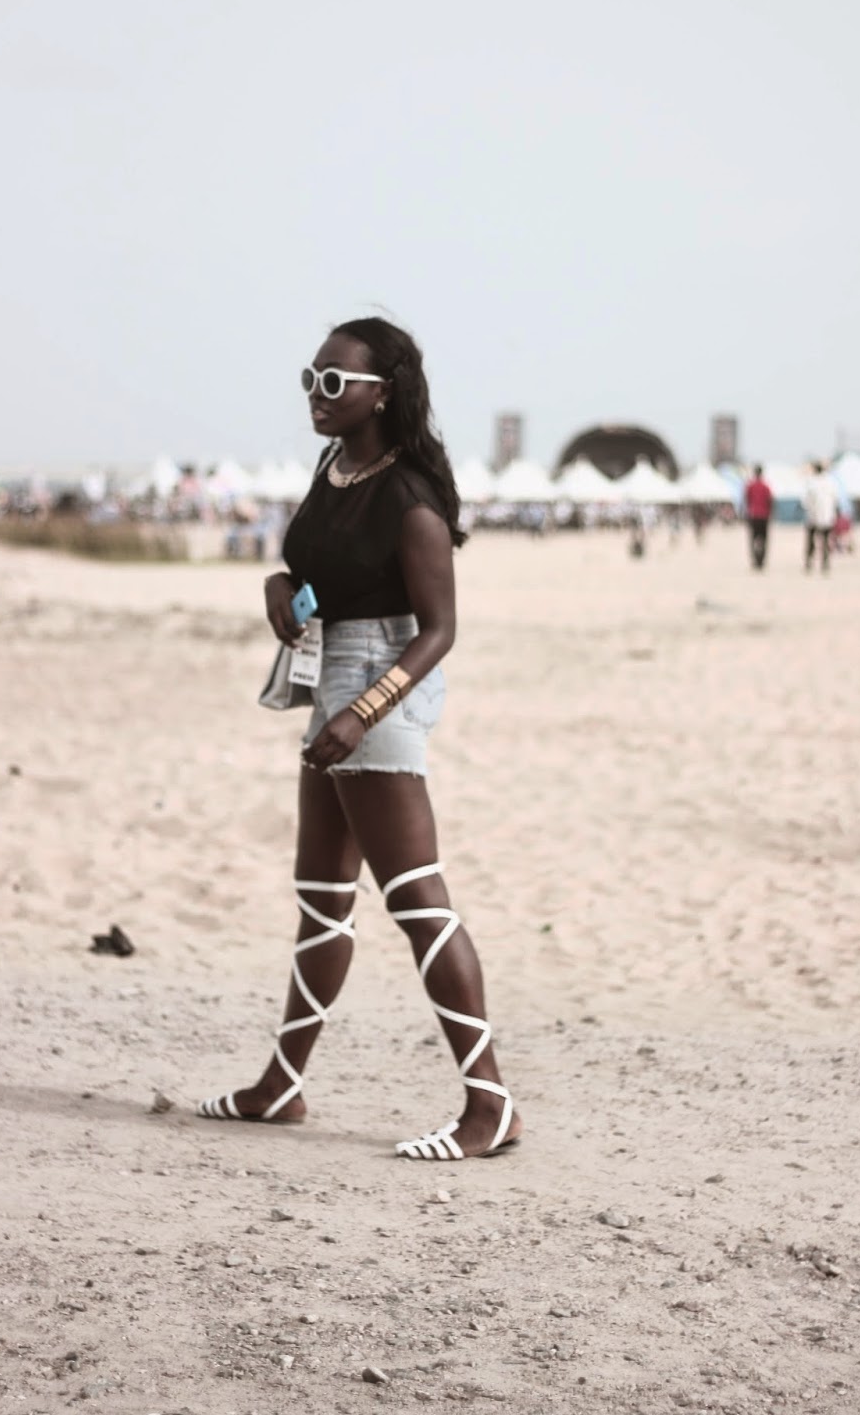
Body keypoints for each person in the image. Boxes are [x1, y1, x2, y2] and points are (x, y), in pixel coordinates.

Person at [197, 318, 521, 1161]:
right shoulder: (335, 468)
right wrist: (279, 585)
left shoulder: (410, 498)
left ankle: (490, 1104)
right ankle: (281, 1086)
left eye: (335, 382)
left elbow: (439, 631)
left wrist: (362, 712)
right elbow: (318, 568)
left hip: (381, 686)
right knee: (323, 899)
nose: (318, 394)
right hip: (331, 680)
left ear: (385, 392)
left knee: (416, 898)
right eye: (311, 378)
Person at [803, 460, 839, 573]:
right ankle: (825, 562)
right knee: (825, 540)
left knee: (812, 541)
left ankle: (810, 562)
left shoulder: (811, 482)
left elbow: (806, 501)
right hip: (826, 516)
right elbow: (835, 499)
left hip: (814, 516)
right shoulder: (830, 482)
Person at [743, 465, 773, 570]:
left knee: (753, 538)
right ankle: (762, 560)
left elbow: (747, 500)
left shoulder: (750, 486)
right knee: (764, 538)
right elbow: (770, 500)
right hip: (764, 516)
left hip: (753, 515)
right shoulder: (766, 486)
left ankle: (755, 559)